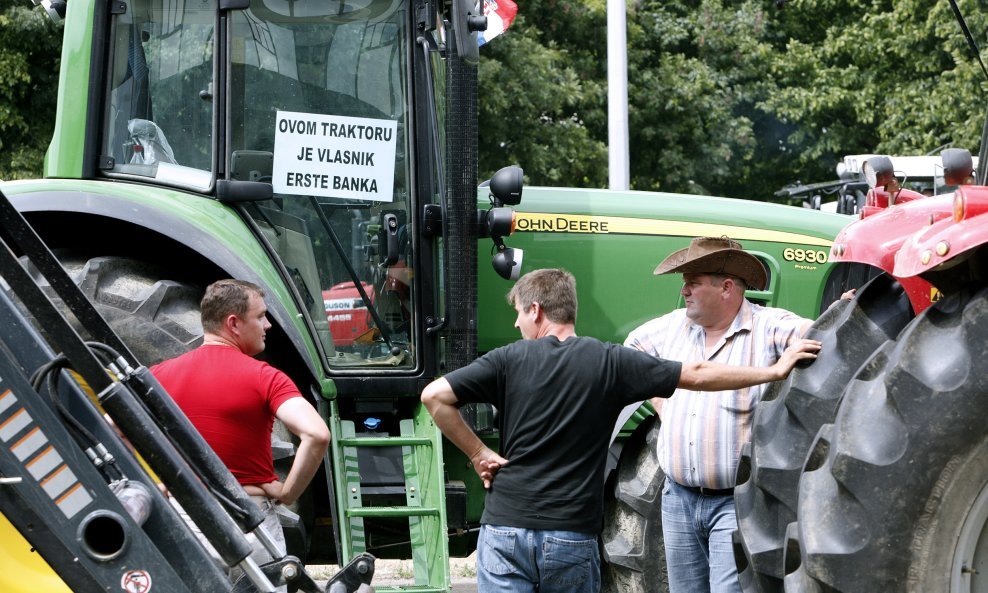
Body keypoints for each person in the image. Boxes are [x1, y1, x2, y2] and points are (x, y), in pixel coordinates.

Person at [420, 268, 821, 593]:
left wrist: (478, 454)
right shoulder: (610, 362)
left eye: (519, 313)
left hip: (505, 529)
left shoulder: (507, 358)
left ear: (537, 310)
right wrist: (772, 371)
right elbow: (697, 373)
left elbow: (435, 396)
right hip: (570, 535)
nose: (516, 322)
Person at [624, 236, 811, 593]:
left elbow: (812, 332)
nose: (684, 291)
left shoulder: (766, 326)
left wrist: (842, 313)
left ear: (726, 287)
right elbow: (630, 354)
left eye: (692, 282)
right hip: (677, 497)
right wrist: (663, 405)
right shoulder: (673, 326)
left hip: (734, 501)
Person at [151, 279, 330, 589]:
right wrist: (288, 493)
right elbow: (317, 434)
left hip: (184, 521)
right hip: (250, 523)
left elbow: (114, 426)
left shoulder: (159, 375)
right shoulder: (266, 377)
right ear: (233, 323)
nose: (268, 325)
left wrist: (155, 483)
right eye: (260, 316)